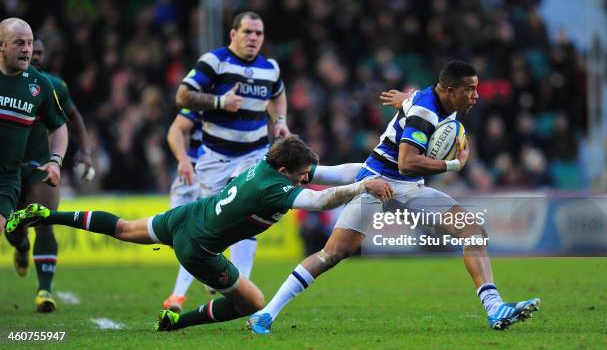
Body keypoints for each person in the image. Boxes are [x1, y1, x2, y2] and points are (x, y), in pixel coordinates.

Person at [248, 61, 540, 334]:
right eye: (470, 89)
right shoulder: (425, 113)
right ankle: (267, 312)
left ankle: (495, 308)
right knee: (332, 253)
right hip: (384, 184)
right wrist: (454, 164)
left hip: (393, 178)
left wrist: (406, 100)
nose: (476, 96)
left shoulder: (431, 97)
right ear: (450, 91)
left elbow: (416, 100)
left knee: (472, 231)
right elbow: (407, 162)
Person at [6, 136, 394, 331]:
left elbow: (330, 175)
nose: (306, 178)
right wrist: (363, 188)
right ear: (285, 171)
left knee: (123, 228)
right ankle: (179, 322)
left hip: (187, 217)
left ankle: (47, 215)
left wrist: (372, 170)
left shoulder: (266, 166)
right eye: (302, 174)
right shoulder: (273, 188)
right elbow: (324, 201)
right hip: (198, 248)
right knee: (253, 302)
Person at [163, 11, 290, 309]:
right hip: (215, 158)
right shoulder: (214, 62)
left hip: (254, 155)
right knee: (213, 224)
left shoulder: (270, 68)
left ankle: (241, 283)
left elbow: (278, 94)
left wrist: (280, 120)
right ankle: (210, 274)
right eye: (247, 32)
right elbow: (182, 96)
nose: (253, 38)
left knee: (248, 213)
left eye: (258, 33)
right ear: (233, 34)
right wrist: (219, 102)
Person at [5, 37, 93, 312]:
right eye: (29, 49)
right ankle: (20, 245)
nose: (35, 55)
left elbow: (70, 119)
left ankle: (45, 290)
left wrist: (84, 152)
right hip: (8, 167)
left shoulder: (50, 86)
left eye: (39, 51)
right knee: (14, 226)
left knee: (45, 221)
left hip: (40, 164)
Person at [0, 18, 68, 236]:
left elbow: (59, 126)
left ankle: (19, 242)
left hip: (7, 179)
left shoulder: (39, 85)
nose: (27, 49)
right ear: (1, 45)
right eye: (19, 43)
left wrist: (55, 162)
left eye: (29, 43)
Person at [162, 109, 205, 312]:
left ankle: (177, 295)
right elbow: (175, 131)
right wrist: (182, 158)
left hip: (215, 174)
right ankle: (211, 272)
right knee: (176, 234)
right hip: (188, 171)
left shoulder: (237, 104)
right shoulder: (200, 100)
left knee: (194, 237)